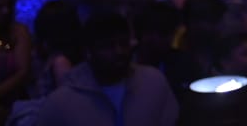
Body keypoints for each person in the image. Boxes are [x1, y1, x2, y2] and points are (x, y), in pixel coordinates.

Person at [34, 10, 179, 126]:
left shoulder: (153, 82)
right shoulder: (61, 102)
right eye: (108, 46)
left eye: (123, 44)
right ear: (88, 52)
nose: (119, 51)